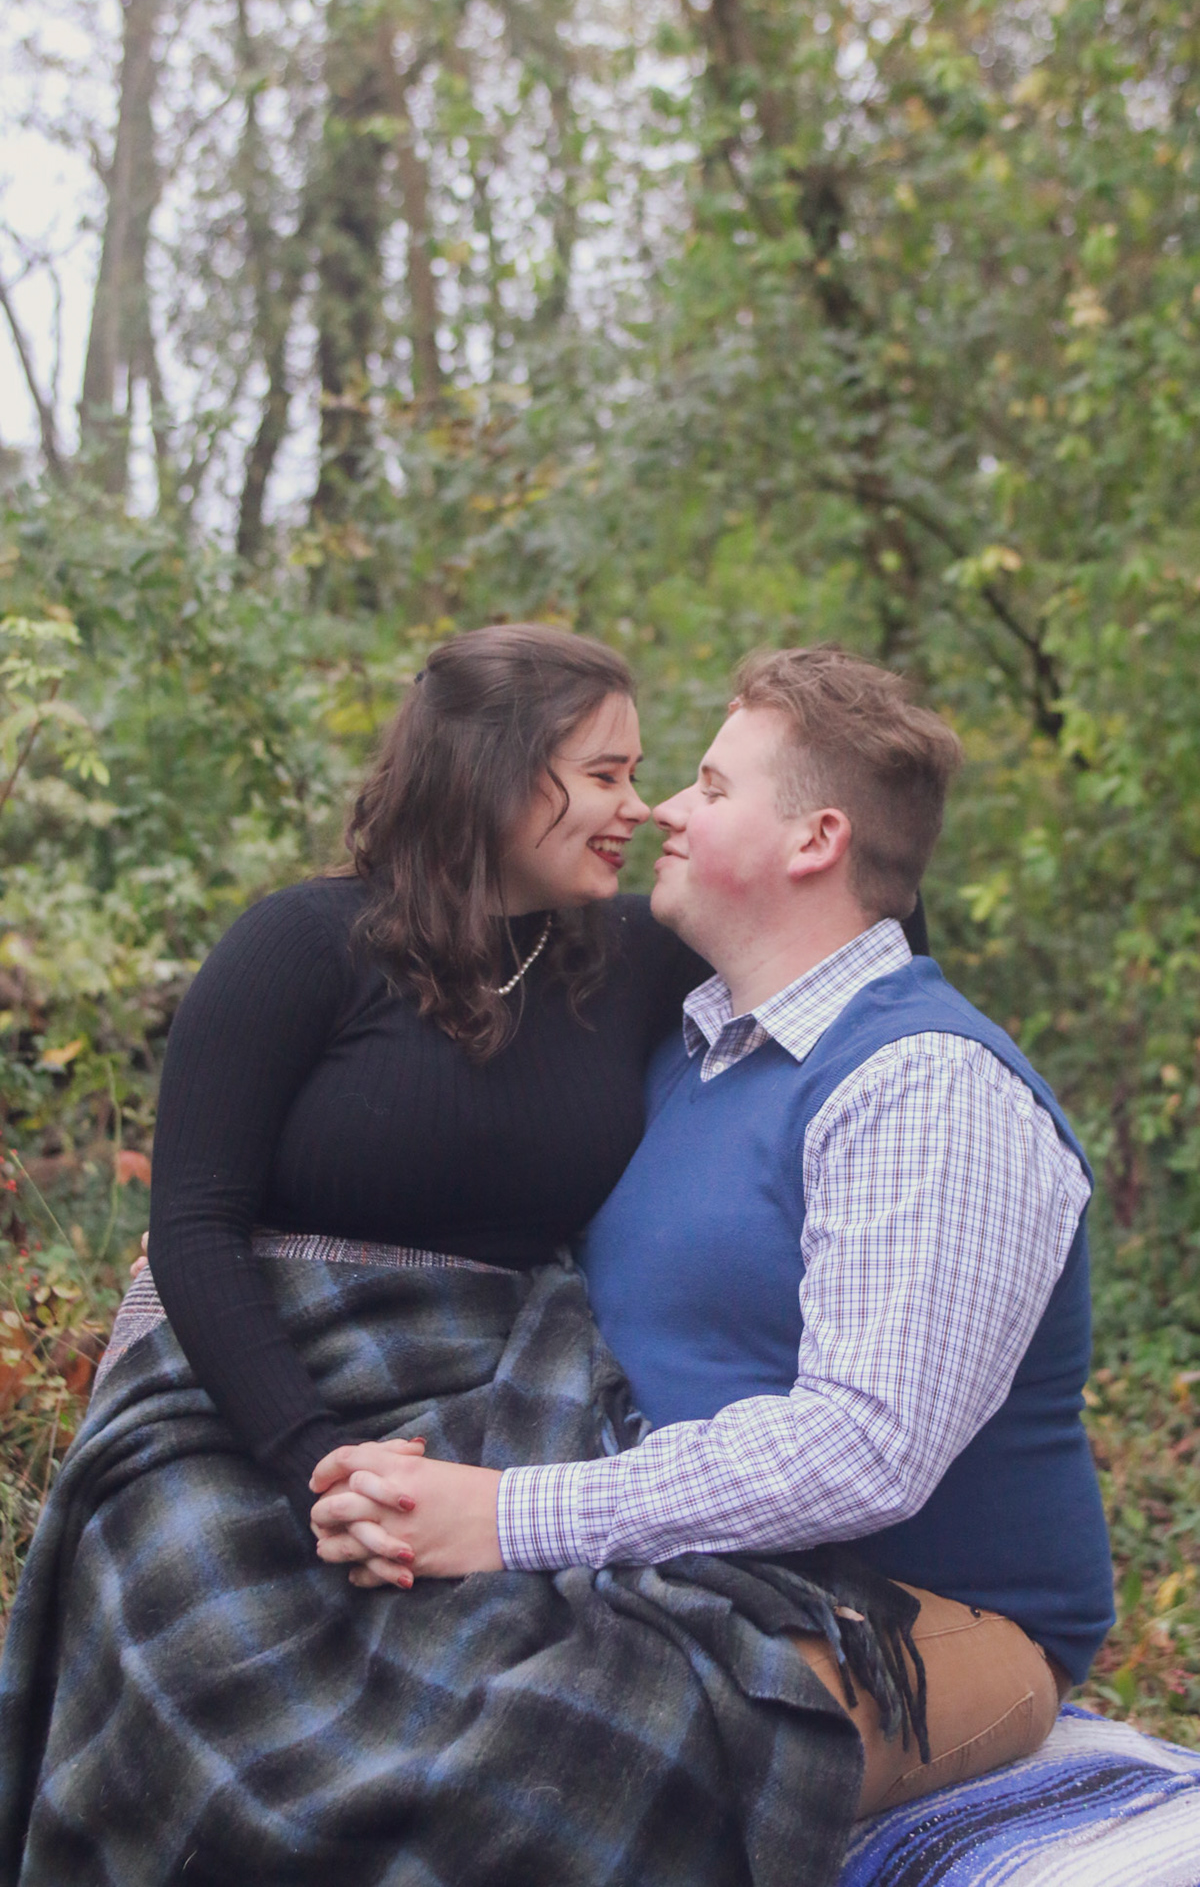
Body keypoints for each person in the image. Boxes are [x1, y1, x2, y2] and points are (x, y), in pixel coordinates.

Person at [0, 625, 931, 1887]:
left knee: (543, 1720)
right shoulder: (300, 947)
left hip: (511, 1412)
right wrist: (313, 1456)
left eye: (647, 774)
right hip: (244, 1408)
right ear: (492, 772)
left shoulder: (633, 957)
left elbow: (858, 930)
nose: (640, 805)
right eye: (604, 774)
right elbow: (194, 1229)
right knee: (210, 1680)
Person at [311, 645, 1115, 1819]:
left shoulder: (926, 1085)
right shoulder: (690, 1051)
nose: (665, 811)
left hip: (923, 1613)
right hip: (695, 1563)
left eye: (712, 786)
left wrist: (505, 1514)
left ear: (816, 841)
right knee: (326, 1685)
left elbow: (861, 1449)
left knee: (541, 1766)